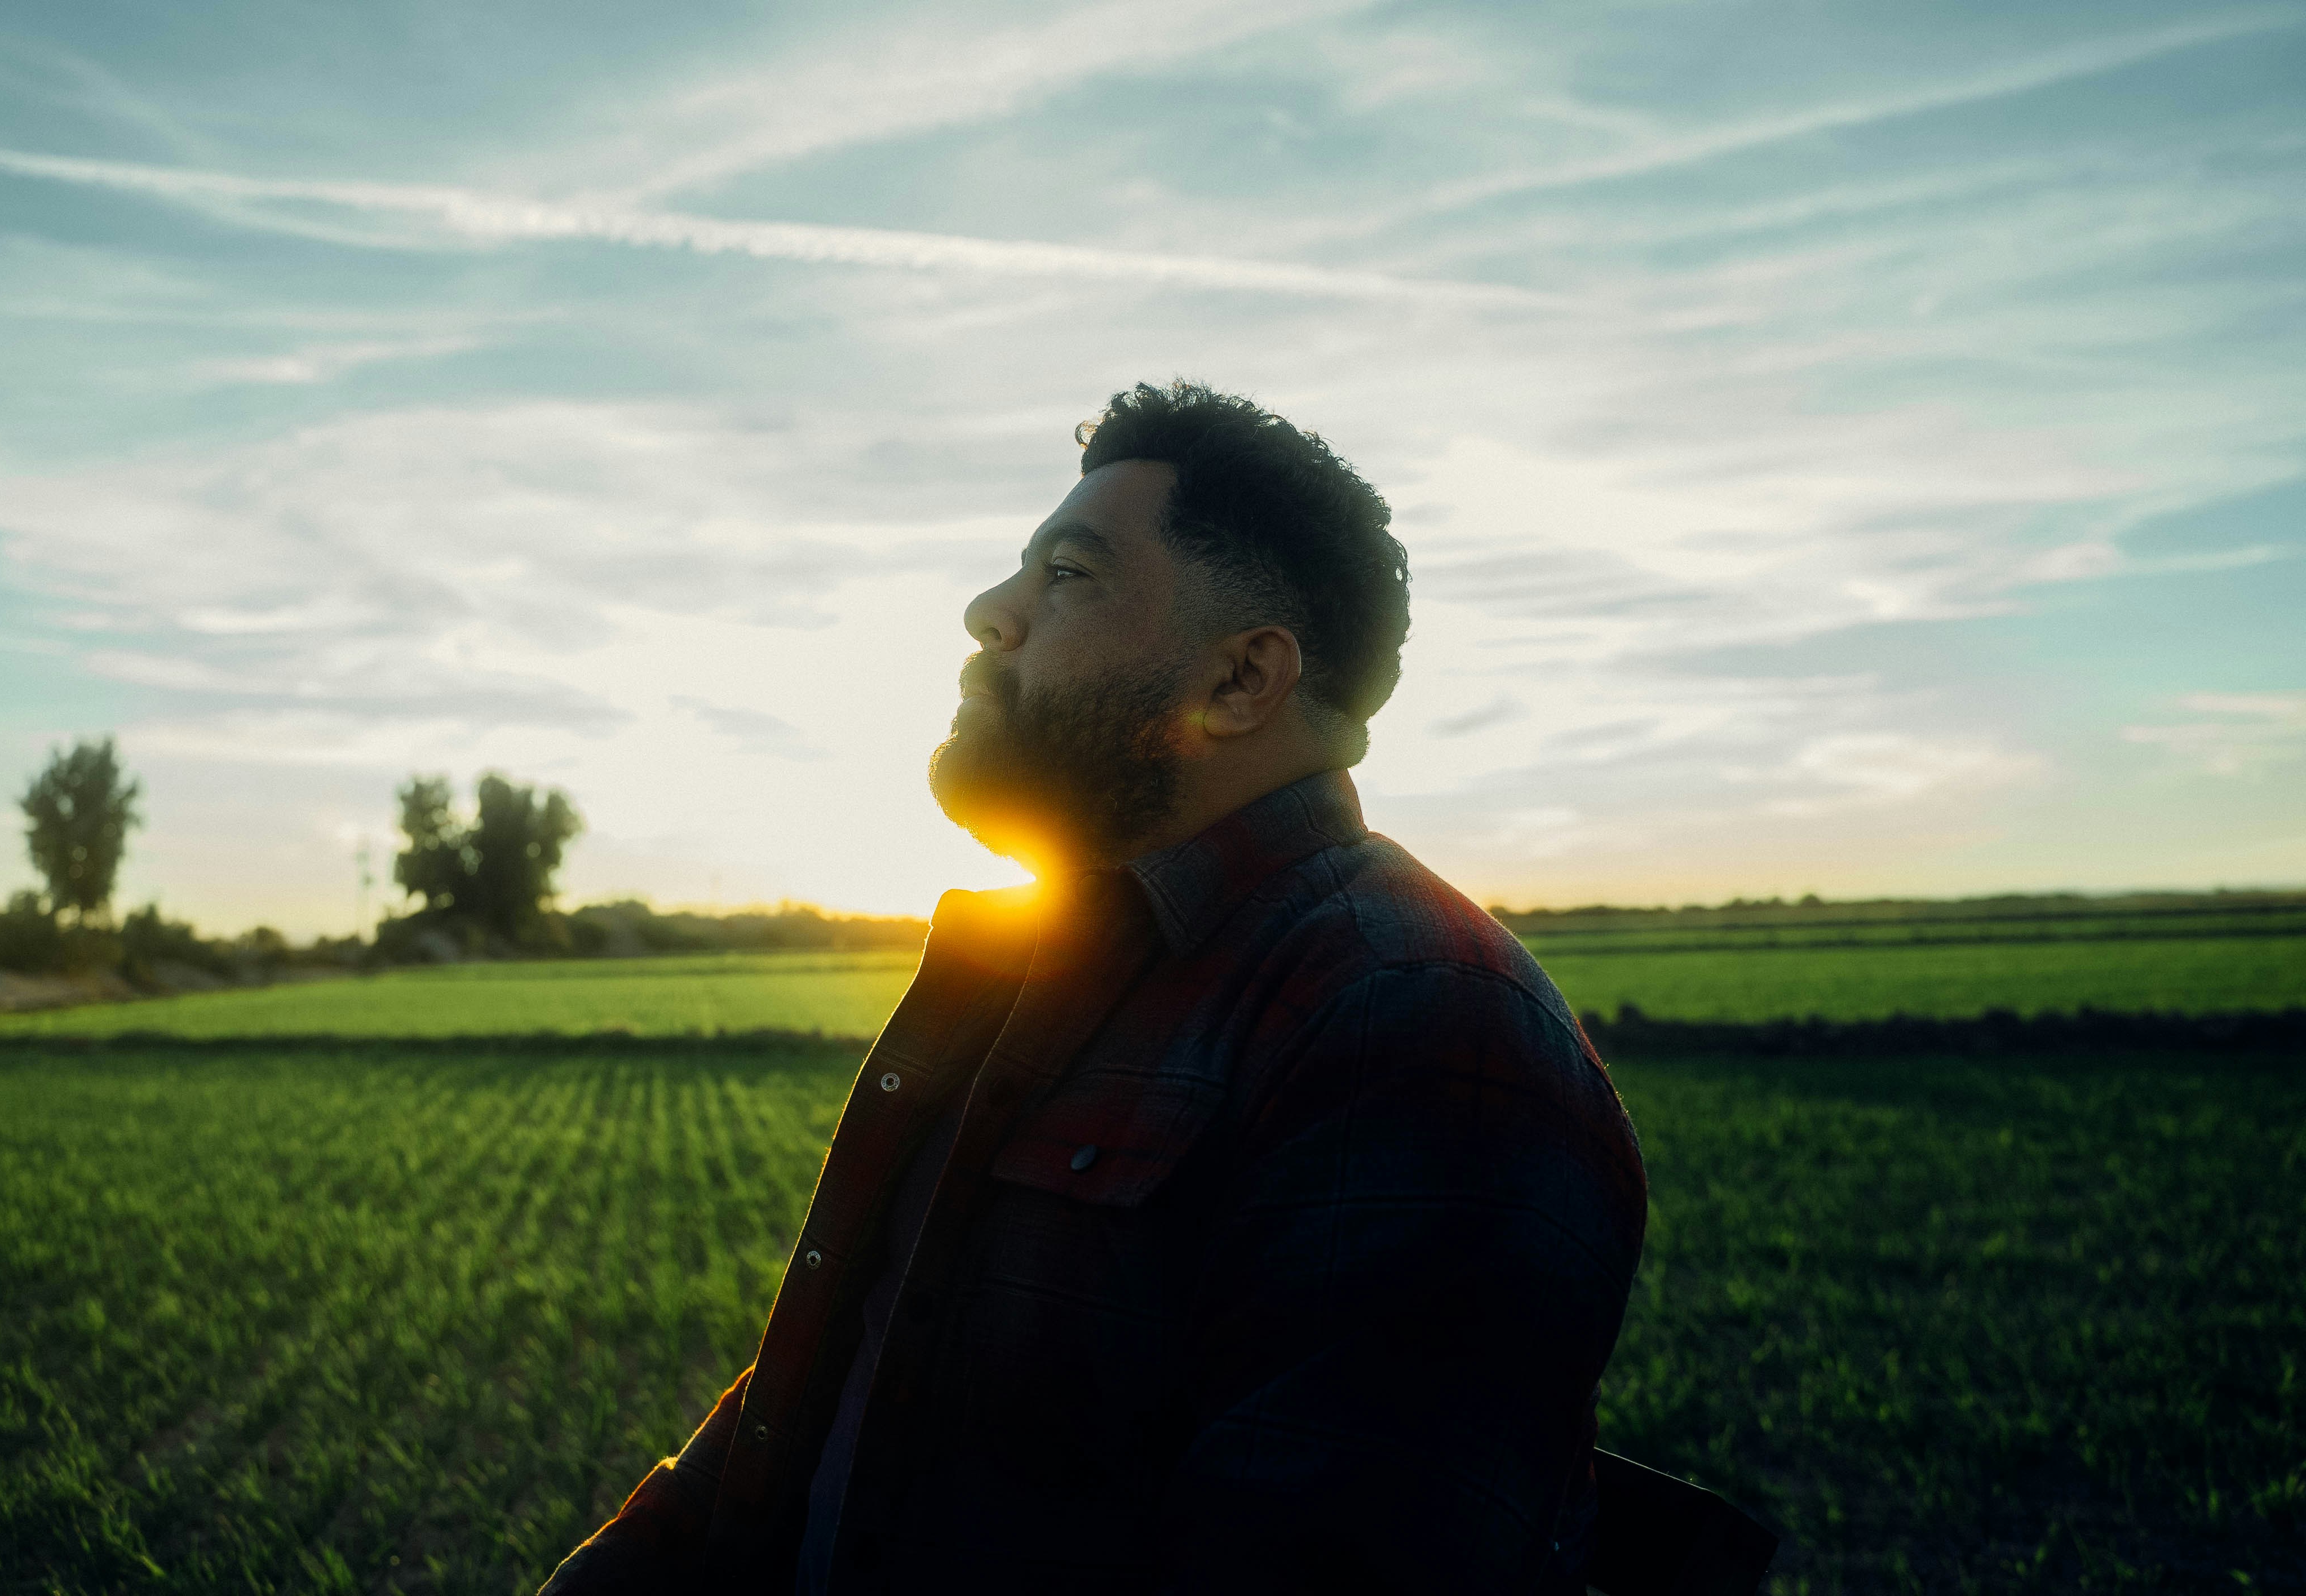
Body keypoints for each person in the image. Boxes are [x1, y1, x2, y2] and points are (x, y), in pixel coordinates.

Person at [540, 380, 1648, 1594]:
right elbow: (830, 1404)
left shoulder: (1417, 1022)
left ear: (1238, 682)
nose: (987, 613)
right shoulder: (1036, 969)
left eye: (1066, 575)